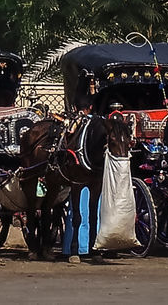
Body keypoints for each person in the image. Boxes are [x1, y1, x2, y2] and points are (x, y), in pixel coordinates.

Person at [62, 94, 100, 265]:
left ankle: (74, 247)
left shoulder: (73, 124)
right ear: (91, 107)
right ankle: (93, 246)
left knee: (77, 209)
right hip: (94, 171)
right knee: (93, 210)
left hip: (76, 170)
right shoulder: (99, 123)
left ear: (76, 108)